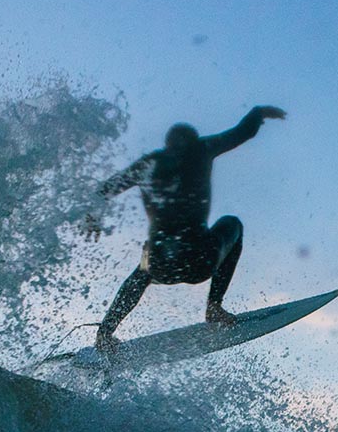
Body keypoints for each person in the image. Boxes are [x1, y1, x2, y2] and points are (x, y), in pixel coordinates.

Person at [85, 105, 286, 353]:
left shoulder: (148, 163)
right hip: (201, 259)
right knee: (233, 223)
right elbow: (241, 133)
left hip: (161, 264)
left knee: (143, 268)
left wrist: (91, 217)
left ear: (168, 143)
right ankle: (214, 306)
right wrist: (258, 113)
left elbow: (104, 190)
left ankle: (105, 332)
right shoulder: (201, 149)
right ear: (193, 139)